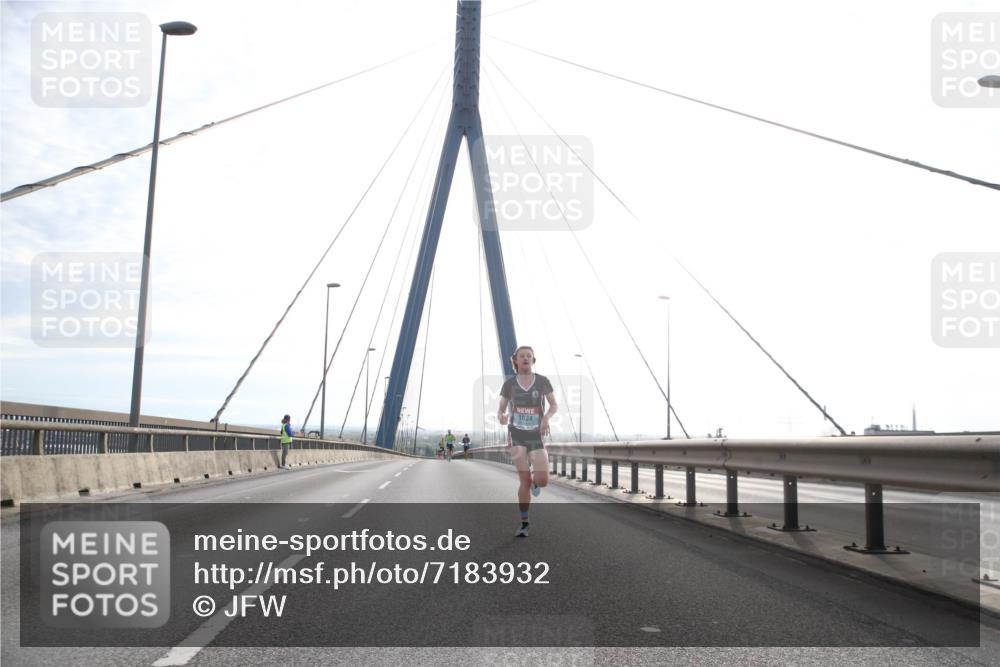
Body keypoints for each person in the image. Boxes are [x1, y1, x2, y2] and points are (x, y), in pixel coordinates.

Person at [498, 345, 557, 538]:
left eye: (529, 356)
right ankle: (524, 523)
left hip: (535, 435)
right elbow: (501, 409)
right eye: (521, 356)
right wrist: (502, 416)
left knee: (542, 480)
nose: (525, 358)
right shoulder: (509, 384)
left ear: (533, 360)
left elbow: (554, 404)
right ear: (515, 360)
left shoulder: (542, 381)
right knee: (523, 480)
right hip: (516, 434)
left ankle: (536, 481)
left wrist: (546, 418)